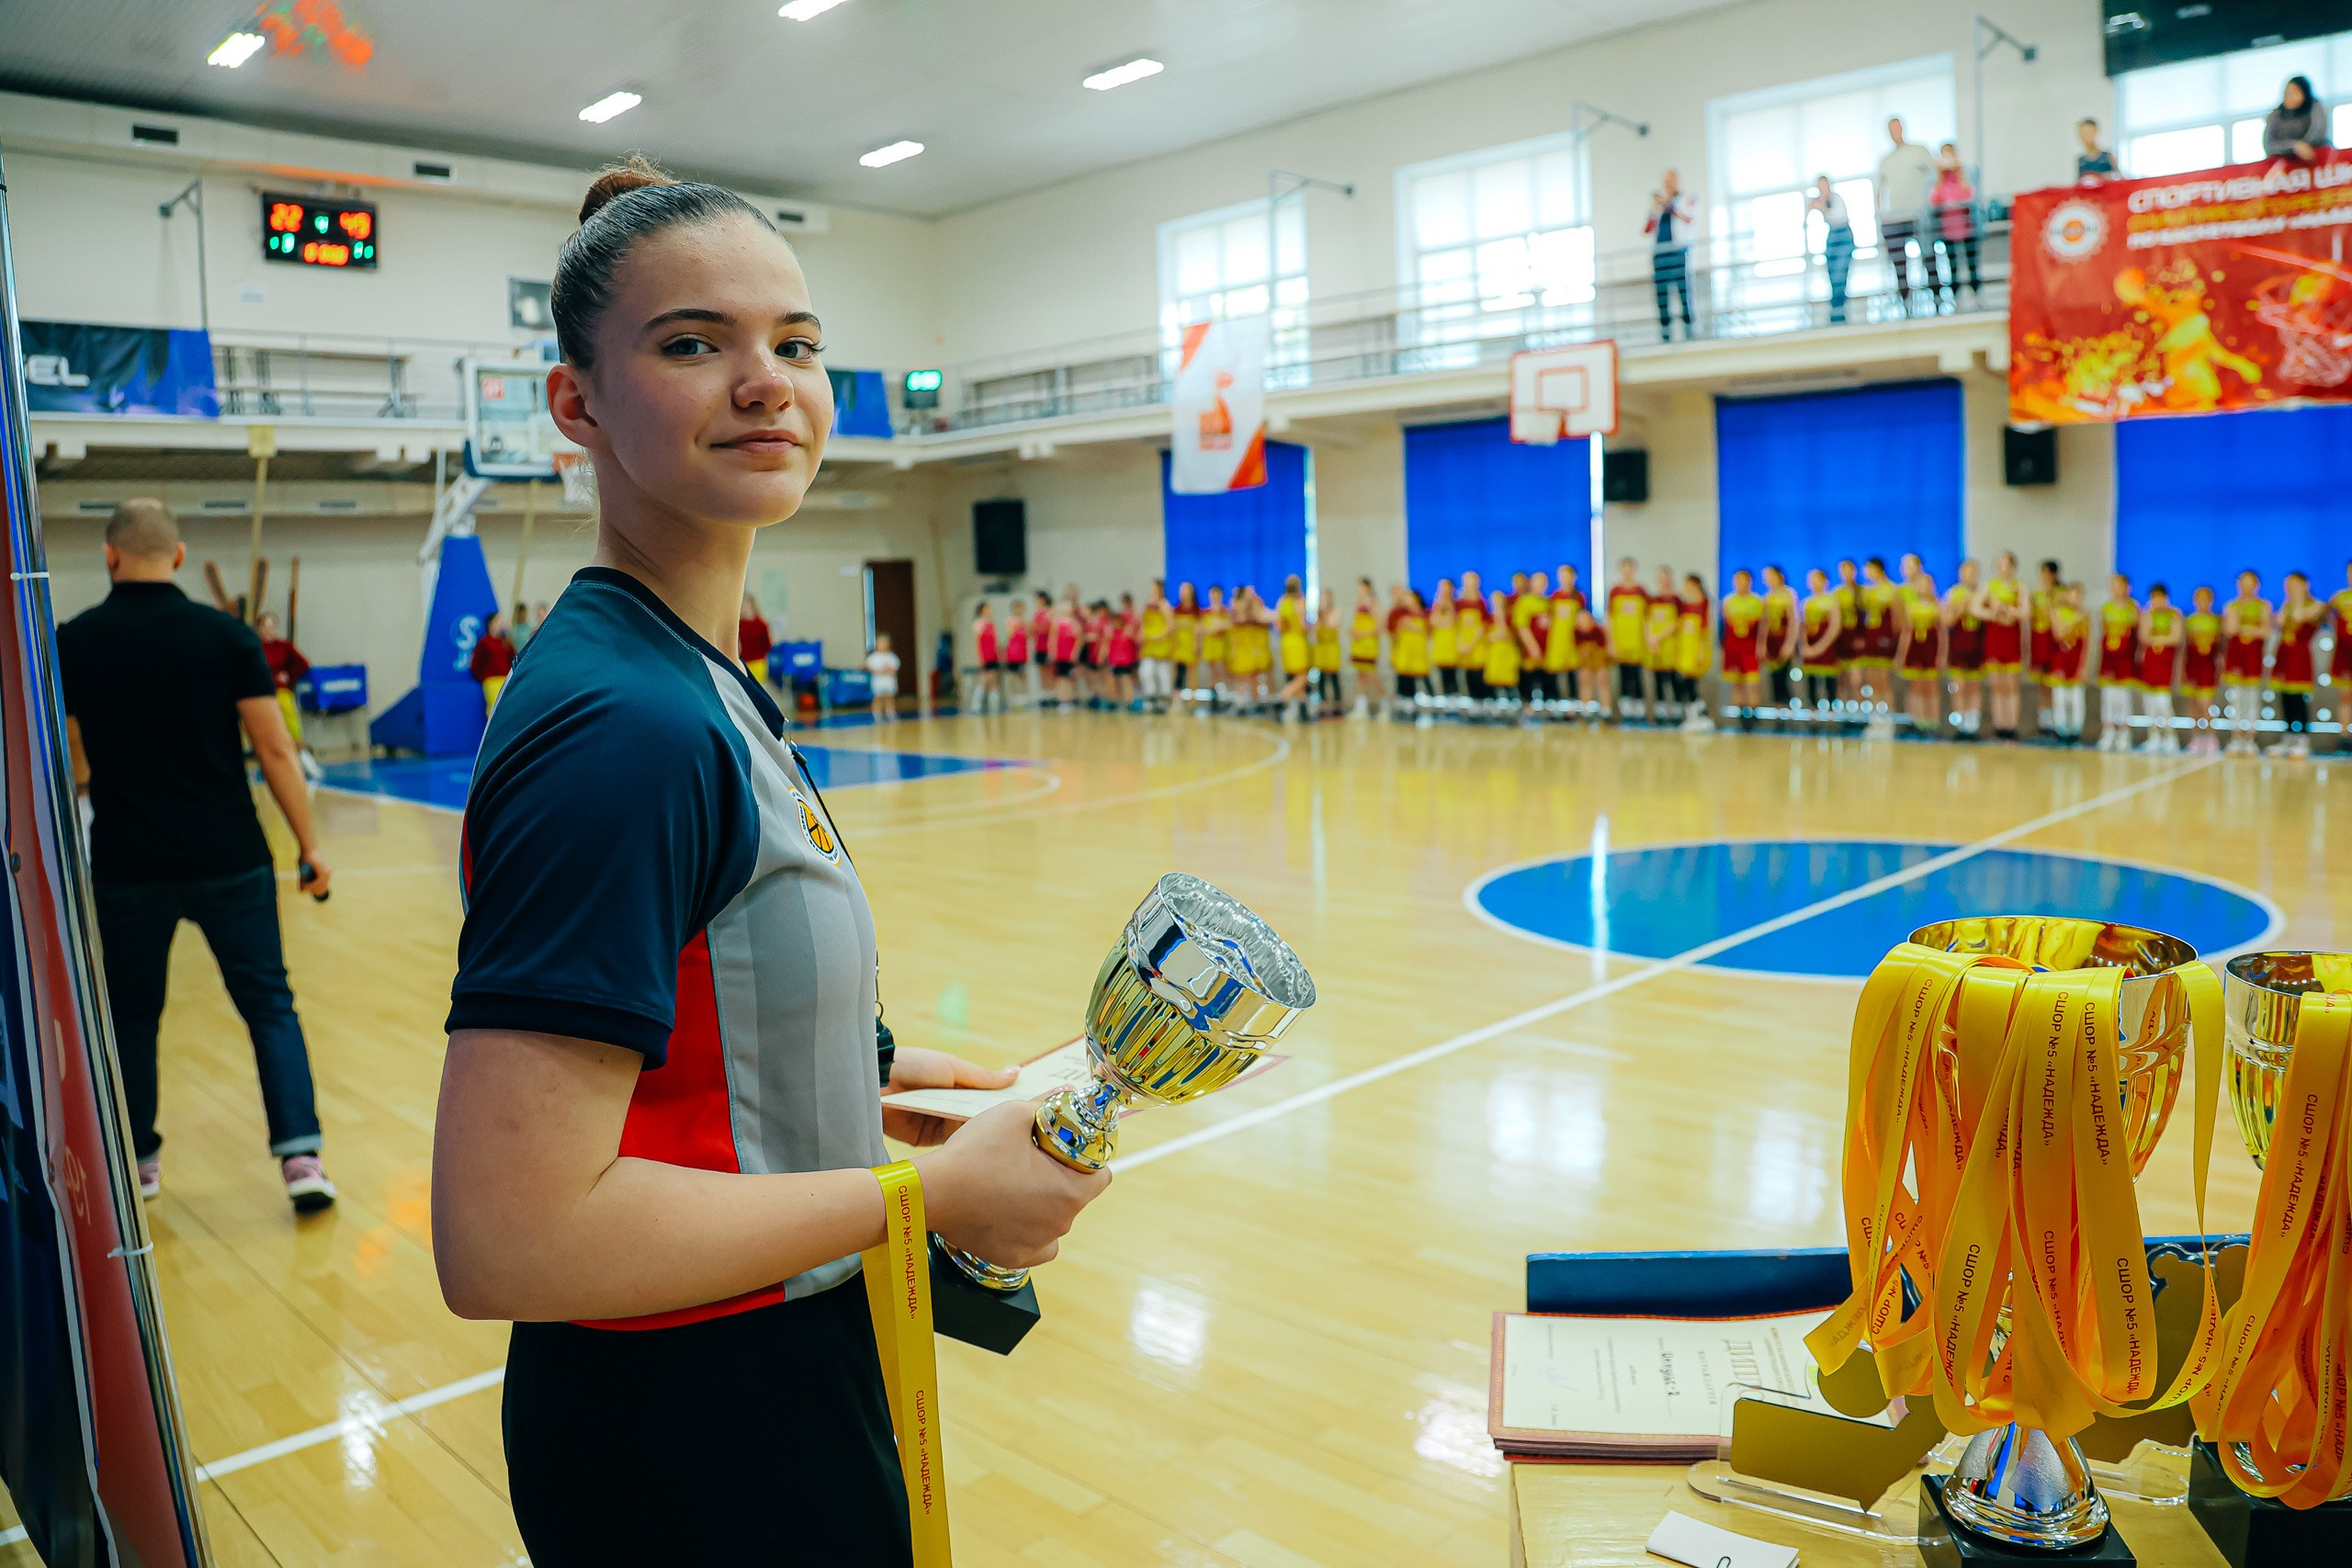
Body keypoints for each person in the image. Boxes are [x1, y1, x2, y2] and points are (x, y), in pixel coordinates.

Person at [433, 162, 1110, 1564]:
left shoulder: (693, 676)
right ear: (577, 403)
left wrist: (890, 1083)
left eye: (794, 344)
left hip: (781, 1354)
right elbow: (509, 1235)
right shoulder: (621, 724)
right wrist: (922, 1196)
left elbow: (691, 1029)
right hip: (689, 1422)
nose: (766, 382)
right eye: (694, 344)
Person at [58, 498, 336, 1213]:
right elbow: (276, 749)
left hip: (127, 862)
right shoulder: (227, 637)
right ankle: (301, 1159)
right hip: (230, 857)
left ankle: (140, 1162)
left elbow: (64, 748)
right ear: (178, 557)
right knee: (271, 1006)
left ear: (109, 555)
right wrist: (309, 848)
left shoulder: (74, 642)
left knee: (131, 1016)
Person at [1876, 118, 1937, 316]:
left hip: (1919, 215)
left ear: (1902, 128)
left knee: (1929, 256)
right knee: (1899, 263)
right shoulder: (1886, 160)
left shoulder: (1920, 151)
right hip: (1896, 217)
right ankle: (1905, 302)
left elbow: (1936, 176)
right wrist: (1881, 217)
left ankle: (1936, 300)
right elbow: (1878, 190)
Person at [253, 610, 322, 779]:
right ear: (259, 628)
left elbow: (303, 663)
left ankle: (304, 757)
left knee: (291, 722)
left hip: (281, 691)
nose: (269, 630)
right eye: (266, 626)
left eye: (272, 626)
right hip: (262, 693)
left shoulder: (283, 646)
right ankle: (269, 764)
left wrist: (289, 676)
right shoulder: (254, 647)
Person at [1973, 551, 2026, 741]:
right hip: (1995, 639)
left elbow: (2026, 612)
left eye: (2007, 564)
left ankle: (2011, 725)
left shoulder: (2019, 587)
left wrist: (2006, 609)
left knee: (2011, 684)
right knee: (1997, 684)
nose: (2003, 568)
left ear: (2013, 567)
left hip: (2011, 639)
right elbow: (1975, 607)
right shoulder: (1990, 586)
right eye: (2000, 564)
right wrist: (1994, 614)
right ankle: (1999, 725)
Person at [2273, 571, 2323, 758]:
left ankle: (2302, 737)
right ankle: (2288, 736)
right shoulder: (2286, 606)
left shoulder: (2315, 605)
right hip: (2284, 654)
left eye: (2293, 584)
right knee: (2285, 697)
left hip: (2300, 656)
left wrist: (2298, 599)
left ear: (2304, 585)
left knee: (2299, 697)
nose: (2289, 588)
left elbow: (2301, 617)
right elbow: (2279, 621)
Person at [2222, 570, 2271, 756]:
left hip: (2254, 658)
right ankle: (2236, 737)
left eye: (2250, 583)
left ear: (2257, 585)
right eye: (2243, 582)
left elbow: (2265, 631)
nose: (2247, 587)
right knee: (2235, 698)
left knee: (2252, 698)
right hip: (2235, 657)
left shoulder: (2263, 606)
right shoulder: (2232, 606)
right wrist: (2248, 627)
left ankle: (2250, 738)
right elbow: (2230, 629)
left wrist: (2245, 628)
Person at [1645, 170, 1697, 341]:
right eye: (1665, 181)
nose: (1667, 184)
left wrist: (1669, 205)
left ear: (1678, 181)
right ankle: (1665, 336)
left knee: (1684, 295)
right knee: (1662, 299)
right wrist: (1656, 208)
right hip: (1660, 254)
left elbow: (1689, 219)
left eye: (1671, 180)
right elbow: (1647, 229)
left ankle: (1689, 333)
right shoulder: (1659, 206)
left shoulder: (1687, 199)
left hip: (1678, 252)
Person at [2094, 574, 2142, 751]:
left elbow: (2138, 635)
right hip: (2109, 659)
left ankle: (2124, 733)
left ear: (2127, 588)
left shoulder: (2133, 608)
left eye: (2119, 585)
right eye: (2112, 585)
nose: (2115, 589)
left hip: (2125, 659)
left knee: (2123, 699)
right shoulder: (2106, 608)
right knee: (2108, 698)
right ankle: (2108, 732)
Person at [1895, 563, 1943, 735]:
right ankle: (1916, 721)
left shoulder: (1938, 604)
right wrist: (1901, 654)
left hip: (1931, 648)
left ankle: (1933, 721)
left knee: (1930, 686)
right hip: (1915, 648)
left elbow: (1942, 633)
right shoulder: (1911, 606)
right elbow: (1906, 632)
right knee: (1915, 686)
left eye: (1927, 584)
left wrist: (1942, 654)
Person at [1929, 143, 1979, 308]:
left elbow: (1969, 195)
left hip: (1966, 228)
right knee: (1952, 267)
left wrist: (1960, 171)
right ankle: (1955, 299)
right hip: (1948, 230)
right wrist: (1939, 175)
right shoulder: (1940, 181)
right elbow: (1934, 200)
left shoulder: (1964, 176)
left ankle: (1977, 296)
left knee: (1972, 265)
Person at [2138, 584, 2183, 753]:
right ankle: (2154, 736)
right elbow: (2144, 636)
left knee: (2163, 703)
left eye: (2160, 598)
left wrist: (2157, 638)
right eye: (2154, 598)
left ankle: (2170, 737)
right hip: (2150, 663)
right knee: (2149, 702)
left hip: (2165, 664)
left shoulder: (2174, 615)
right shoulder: (2147, 614)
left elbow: (2175, 638)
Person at [1942, 558, 1985, 739]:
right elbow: (1946, 621)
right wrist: (1962, 606)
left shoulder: (1984, 593)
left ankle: (1973, 725)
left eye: (1974, 572)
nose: (1970, 575)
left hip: (1977, 645)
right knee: (1959, 686)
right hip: (1958, 646)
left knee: (1974, 687)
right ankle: (1960, 725)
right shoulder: (1953, 593)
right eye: (1967, 572)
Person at [1719, 570, 1765, 729]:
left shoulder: (1757, 601)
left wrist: (1761, 645)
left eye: (1744, 580)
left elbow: (1762, 627)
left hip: (1750, 647)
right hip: (1733, 646)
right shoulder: (1728, 601)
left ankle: (1752, 714)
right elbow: (1724, 627)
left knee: (1752, 682)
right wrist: (1724, 647)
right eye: (1738, 580)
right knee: (1736, 682)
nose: (1741, 584)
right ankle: (1740, 715)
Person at [1606, 558, 1650, 722]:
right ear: (1620, 570)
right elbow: (1610, 618)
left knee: (1637, 676)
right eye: (1625, 569)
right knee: (1624, 676)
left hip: (1637, 642)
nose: (1628, 572)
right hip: (1620, 643)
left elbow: (1647, 619)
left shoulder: (1641, 591)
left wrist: (1648, 639)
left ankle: (1639, 713)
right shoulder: (1614, 592)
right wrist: (1611, 643)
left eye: (1631, 569)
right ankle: (1626, 713)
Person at [1798, 568, 1844, 720]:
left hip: (1826, 647)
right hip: (1810, 649)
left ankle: (1832, 713)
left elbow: (1835, 626)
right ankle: (1813, 712)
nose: (1813, 583)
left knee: (1829, 679)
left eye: (1816, 579)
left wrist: (1820, 647)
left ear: (1825, 581)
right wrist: (1805, 646)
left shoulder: (1832, 600)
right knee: (1811, 679)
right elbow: (1803, 627)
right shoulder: (1806, 602)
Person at [2181, 586, 2223, 754]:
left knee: (2205, 704)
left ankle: (2211, 736)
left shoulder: (2217, 621)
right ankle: (2196, 737)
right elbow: (2186, 647)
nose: (2202, 602)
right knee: (2193, 704)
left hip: (2208, 668)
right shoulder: (2190, 621)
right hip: (2192, 667)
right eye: (2199, 598)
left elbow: (2221, 649)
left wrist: (2220, 669)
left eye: (2206, 598)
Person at [1808, 176, 1855, 324]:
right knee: (1832, 274)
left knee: (1840, 275)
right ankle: (1836, 312)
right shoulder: (1823, 201)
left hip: (1843, 236)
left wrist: (1822, 208)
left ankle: (1839, 312)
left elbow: (1838, 217)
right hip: (1833, 236)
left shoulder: (1837, 200)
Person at [2047, 582, 2090, 742]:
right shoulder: (2058, 612)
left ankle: (2075, 730)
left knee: (2077, 698)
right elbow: (2059, 634)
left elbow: (2085, 641)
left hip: (2076, 660)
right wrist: (2075, 620)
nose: (2075, 599)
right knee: (2060, 696)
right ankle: (2061, 729)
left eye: (2079, 595)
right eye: (2072, 594)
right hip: (2060, 659)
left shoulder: (2085, 614)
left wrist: (2084, 666)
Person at [1675, 571, 1713, 731]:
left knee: (1691, 682)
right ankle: (1692, 716)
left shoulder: (1704, 604)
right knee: (1684, 681)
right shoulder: (1685, 606)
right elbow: (1677, 625)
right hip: (1685, 647)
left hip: (1697, 648)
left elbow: (1705, 630)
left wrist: (1701, 651)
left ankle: (1701, 714)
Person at [1645, 566, 1683, 725]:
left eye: (1666, 578)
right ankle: (1661, 714)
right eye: (1660, 578)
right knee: (1658, 681)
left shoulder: (1677, 600)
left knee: (1673, 681)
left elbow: (1678, 623)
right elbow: (1647, 621)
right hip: (1655, 647)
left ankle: (1676, 714)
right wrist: (1650, 639)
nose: (1664, 582)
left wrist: (1660, 637)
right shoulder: (1652, 600)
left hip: (1671, 646)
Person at [1388, 585, 1430, 718]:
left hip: (1419, 651)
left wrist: (1413, 628)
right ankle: (1404, 701)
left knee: (1421, 675)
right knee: (1404, 676)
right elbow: (1392, 632)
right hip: (1404, 650)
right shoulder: (1399, 614)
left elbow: (1429, 631)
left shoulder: (1424, 614)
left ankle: (1430, 701)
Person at [2265, 76, 2331, 161]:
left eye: (2294, 93)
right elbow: (2270, 145)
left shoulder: (2315, 106)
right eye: (2287, 93)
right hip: (2287, 164)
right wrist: (2294, 146)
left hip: (2317, 159)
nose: (2290, 97)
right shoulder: (2276, 115)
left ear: (2304, 93)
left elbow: (2318, 133)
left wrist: (2305, 147)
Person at [1481, 590, 1522, 718]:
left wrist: (1501, 617)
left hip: (1507, 656)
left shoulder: (1510, 617)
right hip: (1495, 656)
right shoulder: (1489, 619)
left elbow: (1508, 635)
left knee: (1510, 683)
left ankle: (1515, 710)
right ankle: (1498, 711)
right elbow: (1487, 637)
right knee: (1496, 684)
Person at [470, 611, 518, 713]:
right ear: (491, 624)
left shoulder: (506, 642)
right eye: (498, 620)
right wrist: (483, 676)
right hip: (491, 680)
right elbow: (476, 663)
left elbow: (514, 658)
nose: (501, 623)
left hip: (505, 680)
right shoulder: (484, 642)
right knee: (495, 710)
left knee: (508, 709)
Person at [1347, 577, 1381, 718]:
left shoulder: (1373, 602)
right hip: (1358, 644)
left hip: (1368, 644)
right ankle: (1361, 707)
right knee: (1360, 676)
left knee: (1371, 674)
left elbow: (1379, 626)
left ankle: (1384, 703)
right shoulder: (1358, 603)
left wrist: (1363, 633)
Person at [1138, 580, 1174, 712]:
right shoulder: (1147, 605)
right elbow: (1143, 622)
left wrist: (1160, 636)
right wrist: (1142, 634)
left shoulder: (1165, 605)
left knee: (1163, 672)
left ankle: (1163, 702)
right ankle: (1150, 699)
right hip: (1149, 644)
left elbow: (1171, 625)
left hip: (1161, 643)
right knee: (1147, 671)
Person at [1454, 570, 1487, 709]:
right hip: (1463, 645)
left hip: (1477, 645)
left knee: (1478, 675)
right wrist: (1461, 644)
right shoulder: (1459, 603)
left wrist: (1471, 644)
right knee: (1467, 676)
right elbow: (1456, 625)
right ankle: (1472, 706)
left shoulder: (1481, 603)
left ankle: (1483, 705)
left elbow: (1483, 626)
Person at [1312, 586, 1344, 718]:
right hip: (1322, 648)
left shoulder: (1335, 611)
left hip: (1331, 648)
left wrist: (1324, 615)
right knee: (1322, 678)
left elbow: (1331, 625)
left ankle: (1338, 705)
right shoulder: (1318, 614)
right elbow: (1315, 628)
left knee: (1334, 677)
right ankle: (1323, 705)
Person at [1198, 584, 1229, 706]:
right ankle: (1213, 699)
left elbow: (1227, 625)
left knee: (1222, 671)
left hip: (1221, 645)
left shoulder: (1225, 611)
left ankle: (1224, 697)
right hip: (1210, 645)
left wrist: (1217, 627)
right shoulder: (1206, 612)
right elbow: (1201, 628)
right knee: (1212, 672)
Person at [971, 600, 1002, 715]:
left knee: (994, 681)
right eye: (988, 608)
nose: (990, 610)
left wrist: (998, 654)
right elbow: (977, 643)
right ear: (982, 610)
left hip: (993, 656)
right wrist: (980, 658)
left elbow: (996, 641)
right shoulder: (978, 624)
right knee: (985, 681)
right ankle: (976, 705)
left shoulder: (992, 624)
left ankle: (994, 706)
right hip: (985, 656)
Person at [1170, 581, 1200, 704]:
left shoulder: (1196, 611)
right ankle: (1177, 700)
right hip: (1179, 645)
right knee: (1178, 673)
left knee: (1191, 674)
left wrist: (1197, 644)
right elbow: (1173, 629)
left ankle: (1192, 701)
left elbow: (1199, 629)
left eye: (1186, 590)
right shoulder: (1176, 610)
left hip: (1191, 645)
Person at [865, 632, 900, 724]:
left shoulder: (892, 656)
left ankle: (891, 713)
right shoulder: (873, 657)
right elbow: (870, 668)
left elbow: (894, 668)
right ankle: (877, 714)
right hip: (878, 682)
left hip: (889, 682)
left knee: (889, 698)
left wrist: (887, 670)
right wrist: (880, 670)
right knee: (878, 698)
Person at [738, 594, 773, 685]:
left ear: (751, 606)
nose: (743, 608)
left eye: (745, 606)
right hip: (744, 662)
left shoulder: (761, 624)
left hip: (758, 662)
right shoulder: (740, 624)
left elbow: (768, 645)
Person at [2075, 118, 2119, 183]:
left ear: (2095, 132)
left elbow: (2120, 179)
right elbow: (2078, 185)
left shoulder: (2109, 157)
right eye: (2082, 133)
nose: (2085, 136)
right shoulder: (2081, 161)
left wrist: (2104, 177)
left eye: (2088, 132)